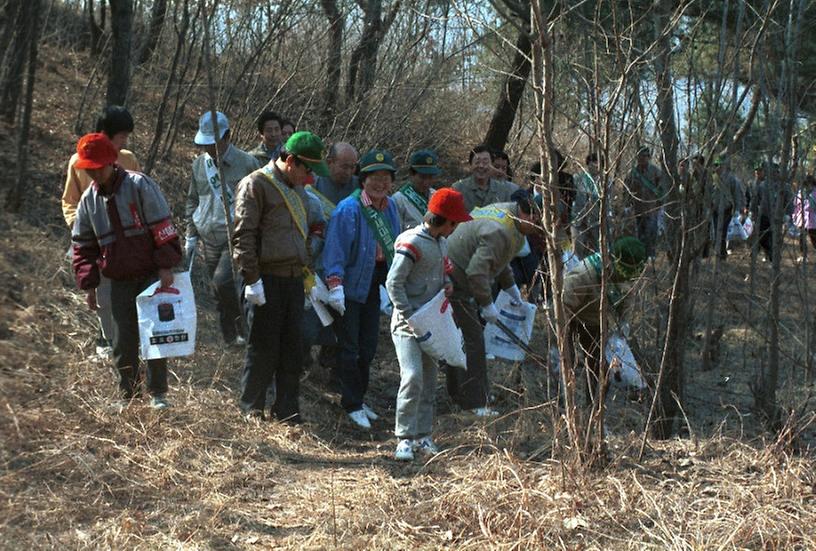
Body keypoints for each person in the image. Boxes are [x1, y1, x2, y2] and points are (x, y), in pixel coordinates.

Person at [71, 133, 182, 409]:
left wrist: (165, 265)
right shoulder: (89, 200)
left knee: (155, 335)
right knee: (123, 341)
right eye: (89, 169)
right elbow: (83, 246)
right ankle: (128, 395)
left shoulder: (139, 185)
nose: (94, 173)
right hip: (118, 279)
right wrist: (89, 284)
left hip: (150, 275)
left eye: (98, 167)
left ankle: (158, 394)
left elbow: (163, 227)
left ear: (111, 161)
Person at [232, 131, 330, 423]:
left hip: (292, 279)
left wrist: (308, 270)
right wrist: (251, 279)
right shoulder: (256, 184)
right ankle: (252, 406)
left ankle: (287, 409)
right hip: (265, 278)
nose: (309, 176)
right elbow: (243, 235)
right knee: (262, 346)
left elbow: (304, 234)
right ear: (290, 160)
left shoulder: (299, 190)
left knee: (292, 347)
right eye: (307, 169)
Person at [386, 188, 472, 460]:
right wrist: (408, 314)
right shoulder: (412, 242)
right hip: (407, 325)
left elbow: (443, 272)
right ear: (443, 219)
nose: (455, 227)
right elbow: (393, 282)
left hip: (432, 322)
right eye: (453, 222)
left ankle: (423, 435)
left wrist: (447, 285)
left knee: (429, 380)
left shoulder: (442, 243)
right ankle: (404, 438)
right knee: (412, 377)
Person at [322, 149, 401, 429]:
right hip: (350, 284)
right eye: (374, 178)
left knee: (368, 347)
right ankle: (351, 402)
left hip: (376, 282)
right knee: (350, 346)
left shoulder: (390, 207)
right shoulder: (350, 209)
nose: (380, 183)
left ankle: (360, 397)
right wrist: (335, 284)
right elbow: (335, 250)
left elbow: (395, 247)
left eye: (386, 178)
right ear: (362, 179)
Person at [445, 194, 541, 415]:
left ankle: (458, 393)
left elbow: (501, 258)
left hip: (457, 272)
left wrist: (511, 288)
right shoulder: (501, 230)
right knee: (474, 340)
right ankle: (474, 402)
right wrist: (487, 305)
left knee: (458, 337)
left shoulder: (509, 213)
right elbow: (477, 273)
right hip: (454, 278)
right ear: (527, 213)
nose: (537, 228)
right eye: (536, 222)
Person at [62, 105, 141, 358]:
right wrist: (80, 226)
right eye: (122, 137)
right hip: (95, 240)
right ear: (106, 134)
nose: (124, 142)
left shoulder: (128, 159)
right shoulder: (78, 162)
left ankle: (130, 338)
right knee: (100, 292)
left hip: (125, 240)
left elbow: (138, 196)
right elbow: (69, 201)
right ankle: (107, 338)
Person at [185, 111, 260, 346]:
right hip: (208, 236)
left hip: (235, 236)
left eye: (213, 142)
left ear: (227, 136)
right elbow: (193, 199)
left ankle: (243, 326)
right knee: (218, 292)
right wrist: (190, 234)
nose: (209, 149)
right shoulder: (199, 165)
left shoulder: (247, 162)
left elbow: (258, 200)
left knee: (223, 281)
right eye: (205, 144)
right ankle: (230, 336)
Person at [563, 236, 646, 404]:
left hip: (595, 320)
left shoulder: (627, 276)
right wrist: (563, 341)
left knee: (600, 370)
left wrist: (624, 323)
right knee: (566, 364)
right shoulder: (585, 273)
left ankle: (593, 410)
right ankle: (563, 408)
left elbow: (628, 296)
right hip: (570, 317)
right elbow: (563, 304)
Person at [624, 146, 666, 258]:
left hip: (652, 208)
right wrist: (627, 205)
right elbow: (627, 189)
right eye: (640, 157)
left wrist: (661, 205)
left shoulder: (656, 171)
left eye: (644, 156)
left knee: (651, 233)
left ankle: (651, 255)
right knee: (639, 234)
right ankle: (641, 255)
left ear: (649, 157)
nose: (642, 159)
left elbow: (662, 189)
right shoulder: (632, 173)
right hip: (638, 209)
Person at [452, 144, 517, 212]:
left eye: (485, 162)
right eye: (477, 162)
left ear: (491, 165)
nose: (481, 166)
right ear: (470, 165)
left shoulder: (503, 191)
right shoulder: (458, 188)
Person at [749, 161, 792, 262]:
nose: (773, 174)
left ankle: (774, 258)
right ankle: (762, 253)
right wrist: (752, 211)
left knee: (774, 238)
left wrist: (787, 215)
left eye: (776, 172)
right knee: (761, 236)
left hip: (778, 217)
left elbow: (789, 202)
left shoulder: (785, 187)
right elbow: (755, 200)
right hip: (764, 215)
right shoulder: (762, 185)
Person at [391, 148, 441, 231]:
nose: (426, 182)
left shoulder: (437, 196)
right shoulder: (398, 199)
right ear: (411, 174)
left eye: (430, 177)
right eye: (422, 177)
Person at [710, 157, 745, 258]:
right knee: (716, 232)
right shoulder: (712, 178)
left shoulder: (731, 179)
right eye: (715, 165)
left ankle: (722, 253)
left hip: (727, 209)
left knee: (723, 232)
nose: (716, 168)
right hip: (715, 210)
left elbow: (737, 194)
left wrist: (738, 209)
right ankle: (718, 252)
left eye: (718, 165)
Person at [571, 153, 604, 259]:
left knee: (598, 248)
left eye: (598, 163)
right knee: (577, 249)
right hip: (578, 219)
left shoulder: (605, 181)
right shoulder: (577, 178)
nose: (595, 166)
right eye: (593, 163)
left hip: (596, 220)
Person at [311, 142, 360, 212]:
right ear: (329, 162)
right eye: (344, 167)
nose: (348, 172)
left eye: (352, 167)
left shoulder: (360, 186)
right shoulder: (314, 184)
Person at [793, 174, 816, 261]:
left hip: (813, 220)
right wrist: (795, 216)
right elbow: (796, 205)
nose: (809, 185)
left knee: (814, 238)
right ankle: (803, 255)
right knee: (802, 238)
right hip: (802, 219)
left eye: (811, 183)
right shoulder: (800, 192)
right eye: (807, 183)